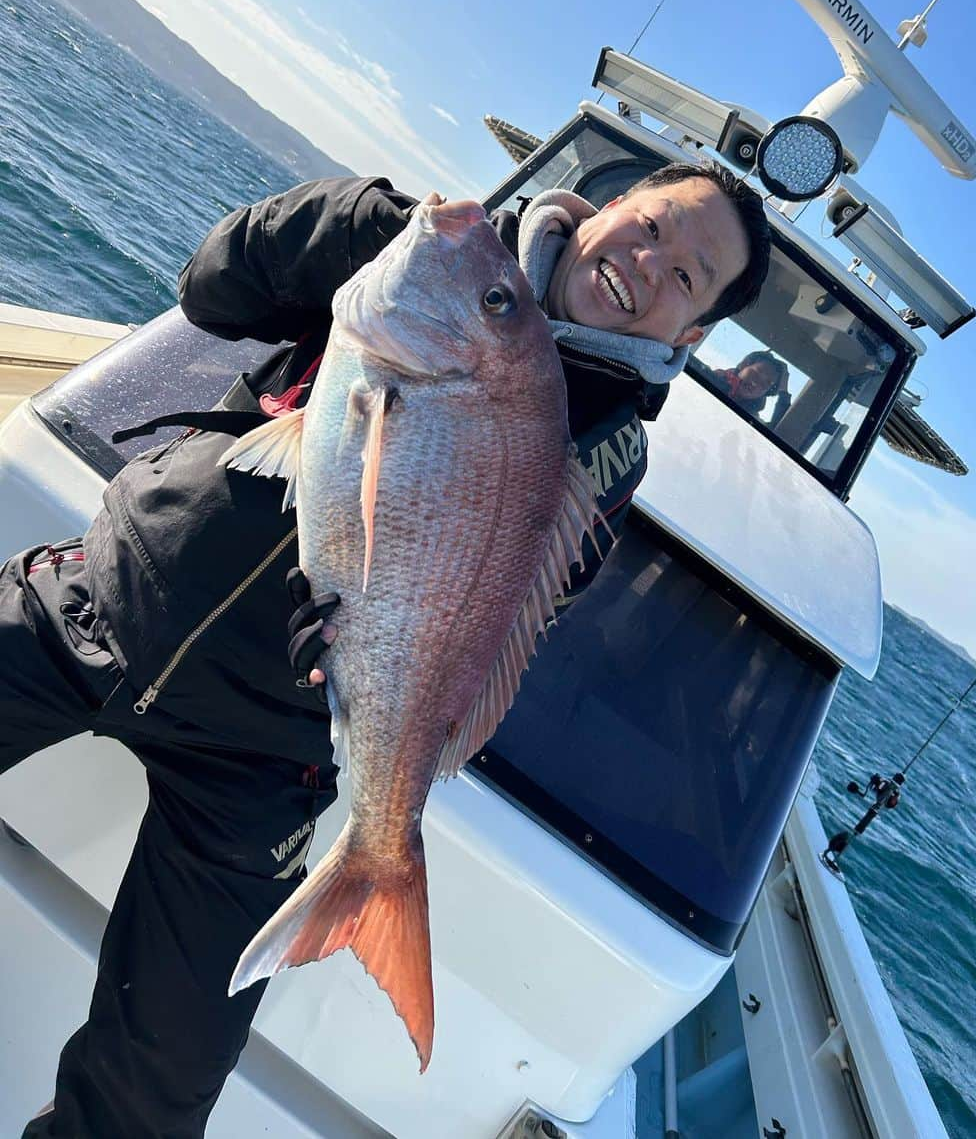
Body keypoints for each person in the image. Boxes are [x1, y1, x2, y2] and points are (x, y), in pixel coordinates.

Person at [2, 160, 770, 1138]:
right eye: (652, 225)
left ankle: (377, 870)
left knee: (150, 1101)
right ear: (606, 206)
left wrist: (372, 654)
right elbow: (209, 286)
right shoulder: (407, 258)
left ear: (690, 335)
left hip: (265, 758)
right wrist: (344, 222)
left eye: (690, 276)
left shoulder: (607, 452)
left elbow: (503, 615)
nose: (651, 263)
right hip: (105, 595)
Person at [715, 349, 791, 427]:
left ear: (767, 392)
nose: (756, 384)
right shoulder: (712, 377)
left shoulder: (751, 419)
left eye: (766, 384)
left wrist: (783, 391)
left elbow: (777, 429)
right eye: (757, 372)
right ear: (744, 365)